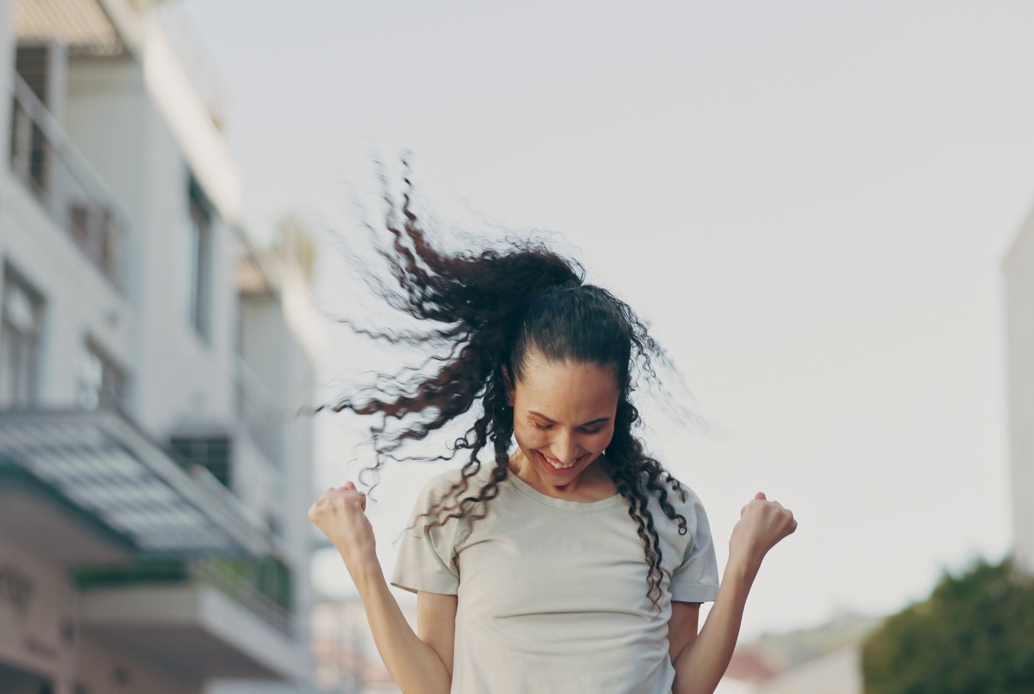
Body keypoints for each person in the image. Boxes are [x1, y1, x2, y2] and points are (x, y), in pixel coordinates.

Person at [309, 185, 797, 694]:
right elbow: (433, 686)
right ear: (510, 389)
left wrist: (744, 562)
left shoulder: (670, 511)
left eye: (591, 427)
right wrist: (359, 554)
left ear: (620, 402)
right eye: (543, 424)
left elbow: (686, 687)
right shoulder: (454, 506)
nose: (565, 452)